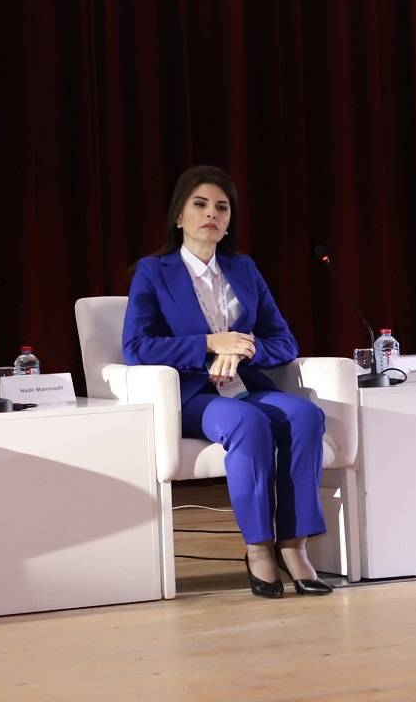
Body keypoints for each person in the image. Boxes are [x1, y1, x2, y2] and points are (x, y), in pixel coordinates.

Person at [122, 165, 332, 598]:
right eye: (200, 204)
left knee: (306, 415)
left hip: (245, 385)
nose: (211, 214)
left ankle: (294, 545)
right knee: (247, 423)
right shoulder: (154, 271)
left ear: (229, 220)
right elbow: (137, 346)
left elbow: (284, 340)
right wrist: (209, 343)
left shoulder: (243, 269)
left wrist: (243, 348)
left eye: (222, 207)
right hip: (192, 394)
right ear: (178, 216)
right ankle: (258, 547)